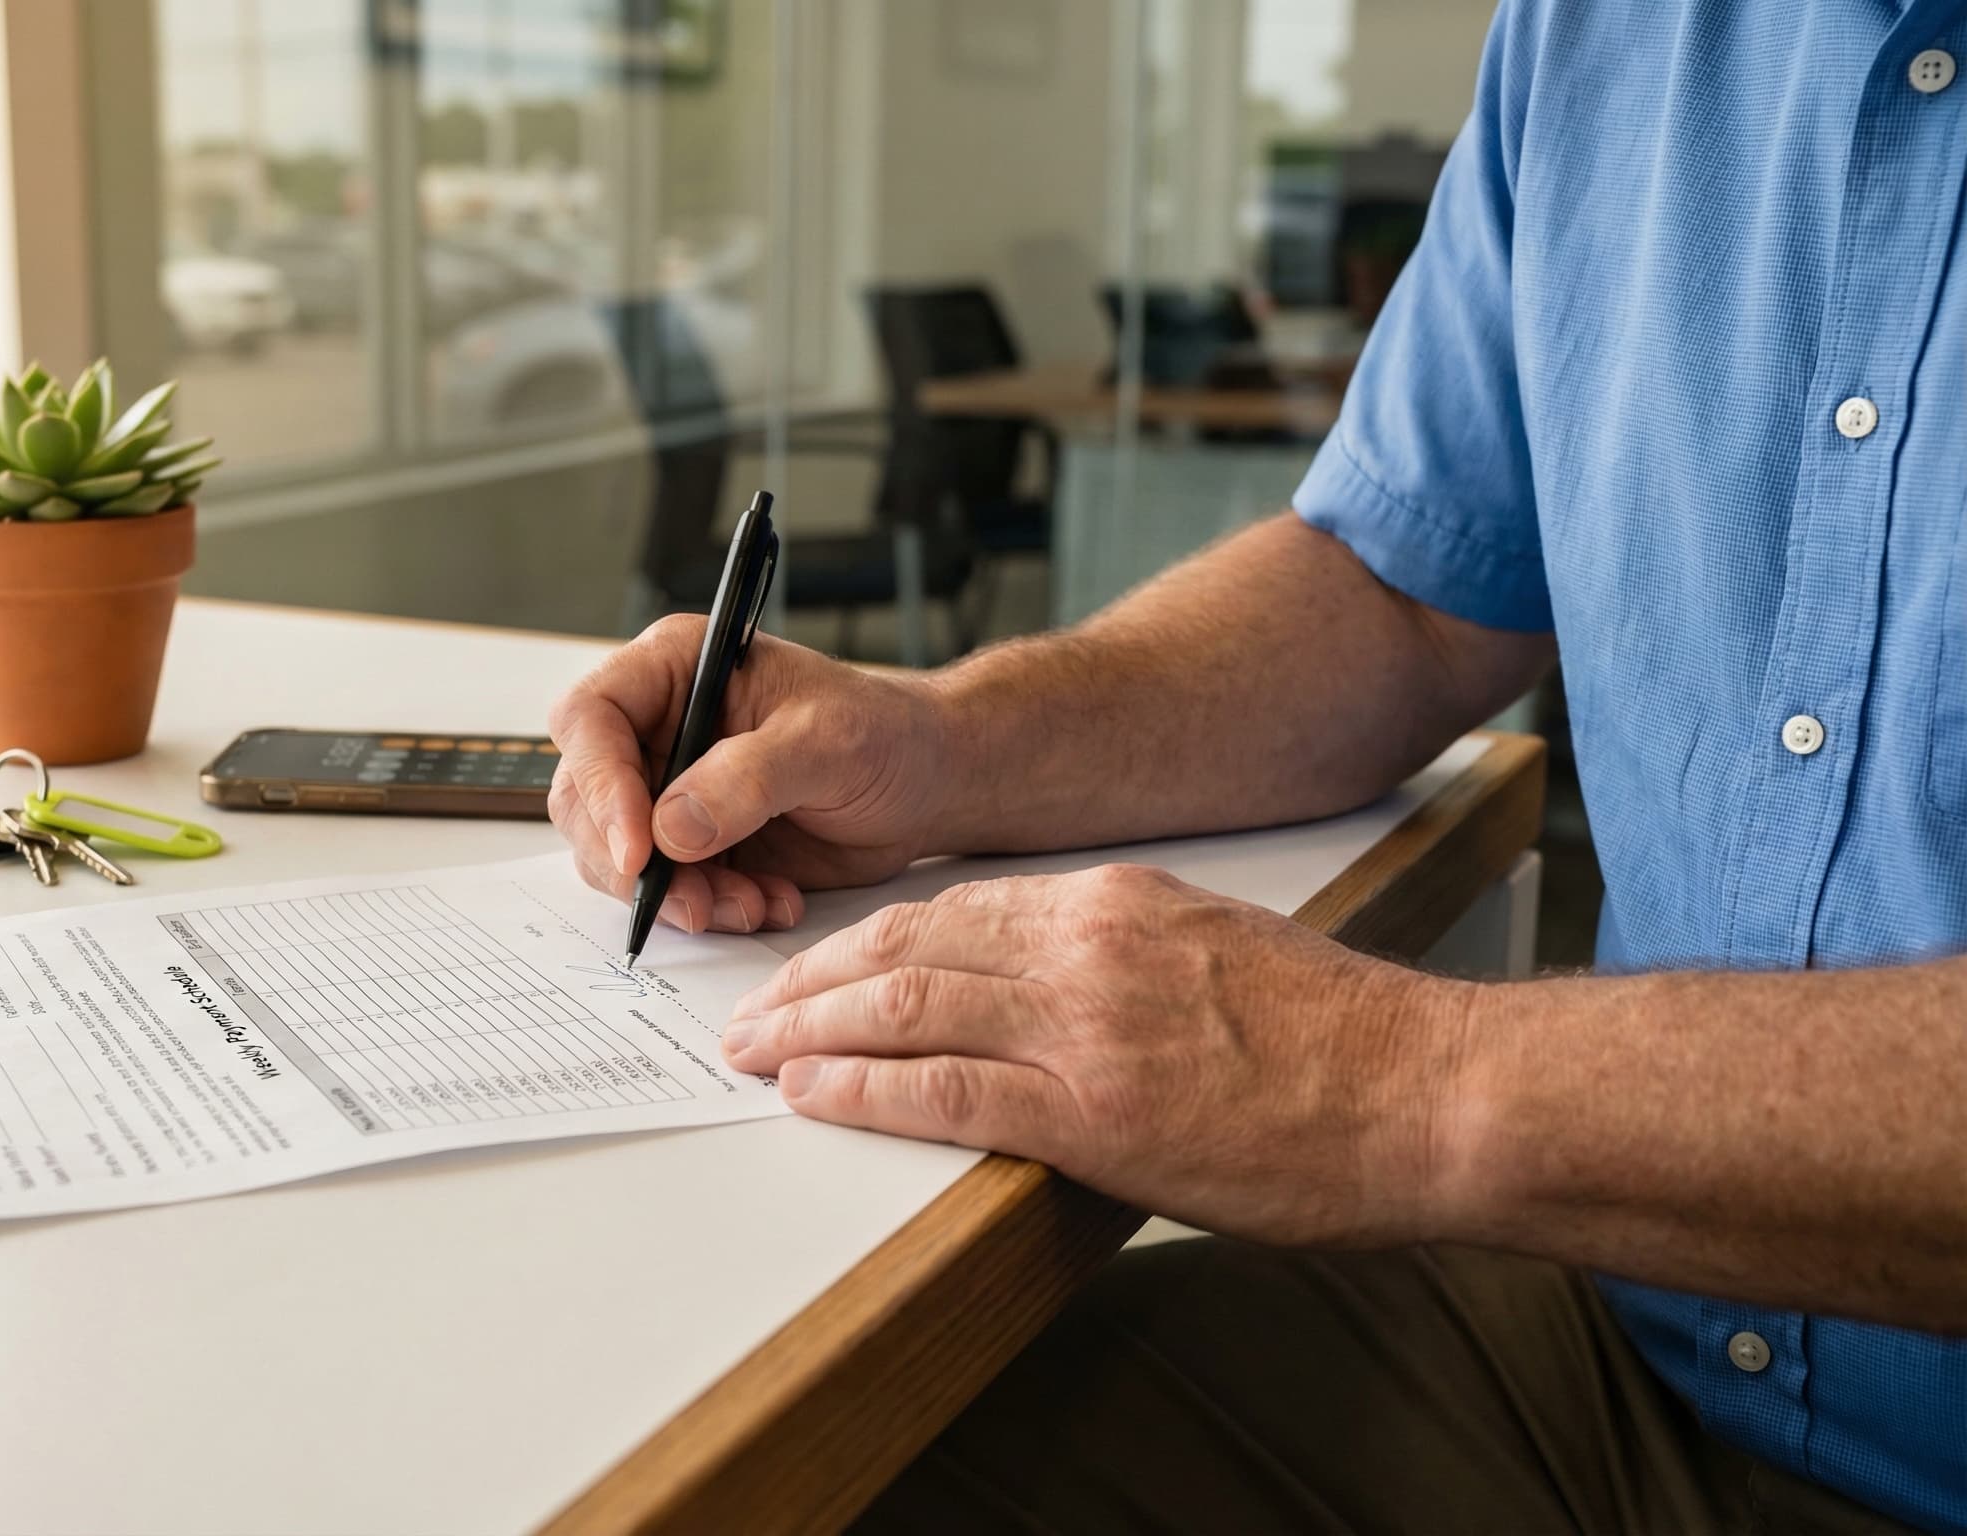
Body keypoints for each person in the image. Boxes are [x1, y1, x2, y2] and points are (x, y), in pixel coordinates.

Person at [546, 4, 1967, 1530]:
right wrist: (942, 744)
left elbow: (1394, 1072)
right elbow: (1409, 589)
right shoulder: (1601, 33)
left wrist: (1392, 1085)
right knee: (808, 1477)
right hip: (1642, 1350)